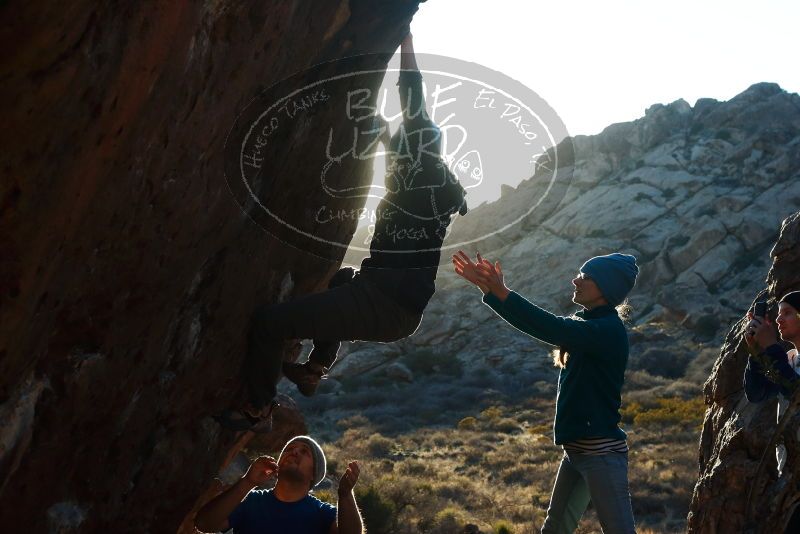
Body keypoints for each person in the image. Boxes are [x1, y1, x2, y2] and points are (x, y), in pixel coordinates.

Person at [216, 32, 468, 431]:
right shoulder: (431, 179)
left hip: (385, 304)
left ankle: (258, 408)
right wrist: (385, 134)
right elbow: (400, 141)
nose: (394, 159)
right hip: (388, 299)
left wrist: (404, 40)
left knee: (269, 323)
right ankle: (314, 369)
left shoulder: (426, 171)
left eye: (399, 150)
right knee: (338, 278)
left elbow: (412, 95)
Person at [453, 250, 638, 534]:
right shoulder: (587, 323)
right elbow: (539, 325)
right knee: (554, 529)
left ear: (605, 288)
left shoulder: (607, 329)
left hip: (600, 452)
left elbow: (549, 327)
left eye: (585, 277)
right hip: (577, 451)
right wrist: (491, 292)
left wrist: (502, 292)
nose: (575, 281)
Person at [194, 435, 363, 534]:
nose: (294, 452)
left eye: (304, 451)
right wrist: (247, 482)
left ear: (314, 473)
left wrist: (346, 495)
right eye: (289, 449)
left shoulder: (322, 513)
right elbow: (204, 524)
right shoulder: (251, 501)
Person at [743, 291, 800, 473]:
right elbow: (757, 394)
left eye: (787, 313)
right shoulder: (790, 360)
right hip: (789, 473)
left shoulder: (784, 361)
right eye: (778, 314)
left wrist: (772, 347)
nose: (778, 320)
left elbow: (796, 394)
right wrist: (757, 351)